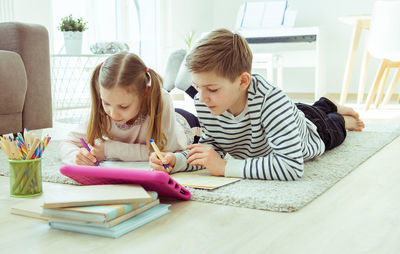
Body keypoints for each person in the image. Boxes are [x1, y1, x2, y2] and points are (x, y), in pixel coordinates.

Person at [149, 28, 365, 180]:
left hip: (315, 130)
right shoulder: (205, 101)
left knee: (333, 122)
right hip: (289, 114)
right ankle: (324, 104)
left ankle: (334, 109)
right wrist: (175, 161)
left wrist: (225, 167)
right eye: (198, 87)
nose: (202, 98)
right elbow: (211, 148)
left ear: (243, 81)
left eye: (212, 89)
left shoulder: (273, 102)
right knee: (301, 109)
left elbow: (290, 167)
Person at [58, 52, 200, 165]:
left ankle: (178, 85)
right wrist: (77, 158)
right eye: (106, 103)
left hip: (185, 123)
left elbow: (166, 152)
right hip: (156, 112)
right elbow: (67, 142)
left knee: (173, 96)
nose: (113, 114)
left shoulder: (161, 100)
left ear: (144, 93)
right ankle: (170, 84)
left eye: (123, 106)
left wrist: (110, 149)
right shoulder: (104, 109)